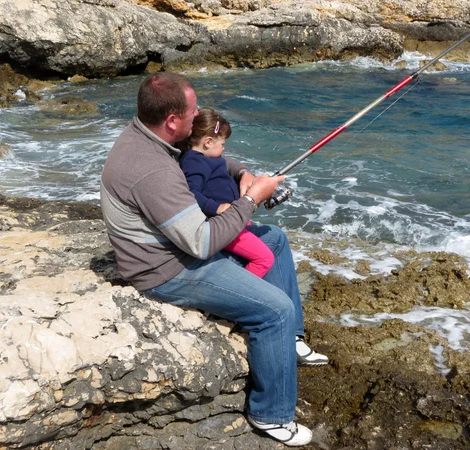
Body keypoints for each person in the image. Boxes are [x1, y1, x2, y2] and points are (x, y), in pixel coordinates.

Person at [100, 72, 328, 447]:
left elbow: (203, 155)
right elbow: (202, 242)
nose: (198, 116)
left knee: (275, 240)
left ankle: (292, 341)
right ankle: (271, 415)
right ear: (173, 120)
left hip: (175, 246)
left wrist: (242, 174)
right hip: (166, 269)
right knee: (276, 311)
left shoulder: (150, 135)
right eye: (192, 111)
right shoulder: (151, 169)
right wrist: (251, 199)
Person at [177, 107, 274, 278]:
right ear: (208, 142)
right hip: (222, 225)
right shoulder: (194, 163)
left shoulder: (207, 158)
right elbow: (191, 194)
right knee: (264, 259)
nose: (223, 149)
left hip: (231, 221)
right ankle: (243, 293)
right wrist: (217, 208)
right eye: (222, 144)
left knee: (265, 242)